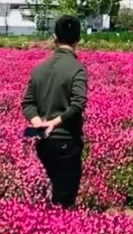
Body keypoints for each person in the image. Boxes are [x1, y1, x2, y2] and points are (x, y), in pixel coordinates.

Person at [21, 15, 88, 209]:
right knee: (64, 200)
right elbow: (78, 104)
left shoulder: (38, 69)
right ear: (78, 39)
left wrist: (38, 124)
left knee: (45, 196)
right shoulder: (77, 69)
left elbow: (27, 103)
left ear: (54, 37)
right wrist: (55, 122)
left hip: (42, 140)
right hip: (66, 139)